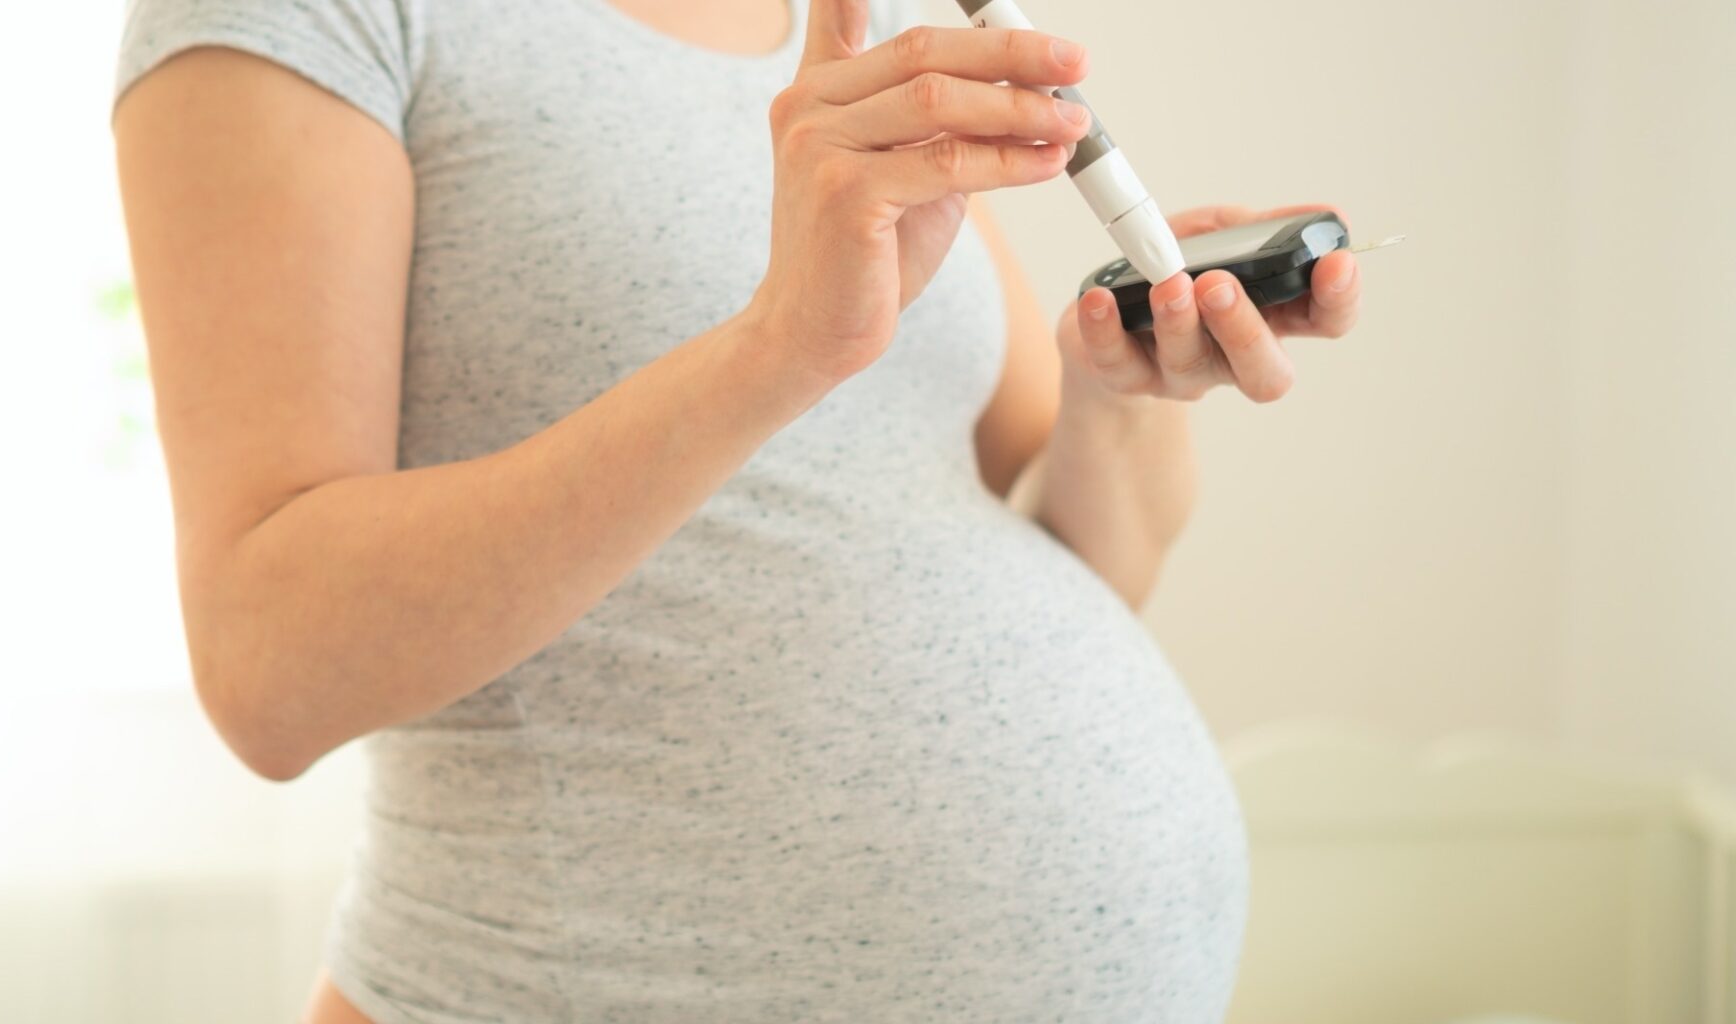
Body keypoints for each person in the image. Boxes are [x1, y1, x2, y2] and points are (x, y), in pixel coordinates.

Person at [110, 0, 1364, 1019]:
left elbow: (1079, 565)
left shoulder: (858, 29)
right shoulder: (307, 18)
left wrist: (1118, 390)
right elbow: (266, 666)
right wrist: (779, 347)